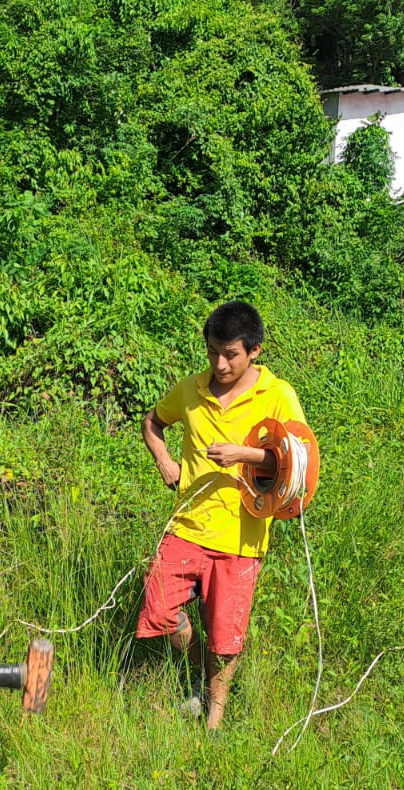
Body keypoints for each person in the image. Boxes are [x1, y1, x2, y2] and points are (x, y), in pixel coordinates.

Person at [135, 302, 305, 730]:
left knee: (226, 638)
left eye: (230, 354)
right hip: (188, 524)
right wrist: (165, 462)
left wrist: (242, 454)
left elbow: (299, 459)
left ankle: (214, 720)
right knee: (158, 606)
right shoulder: (191, 390)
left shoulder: (278, 395)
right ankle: (196, 673)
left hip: (242, 537)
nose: (219, 363)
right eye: (213, 351)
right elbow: (153, 421)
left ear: (254, 351)